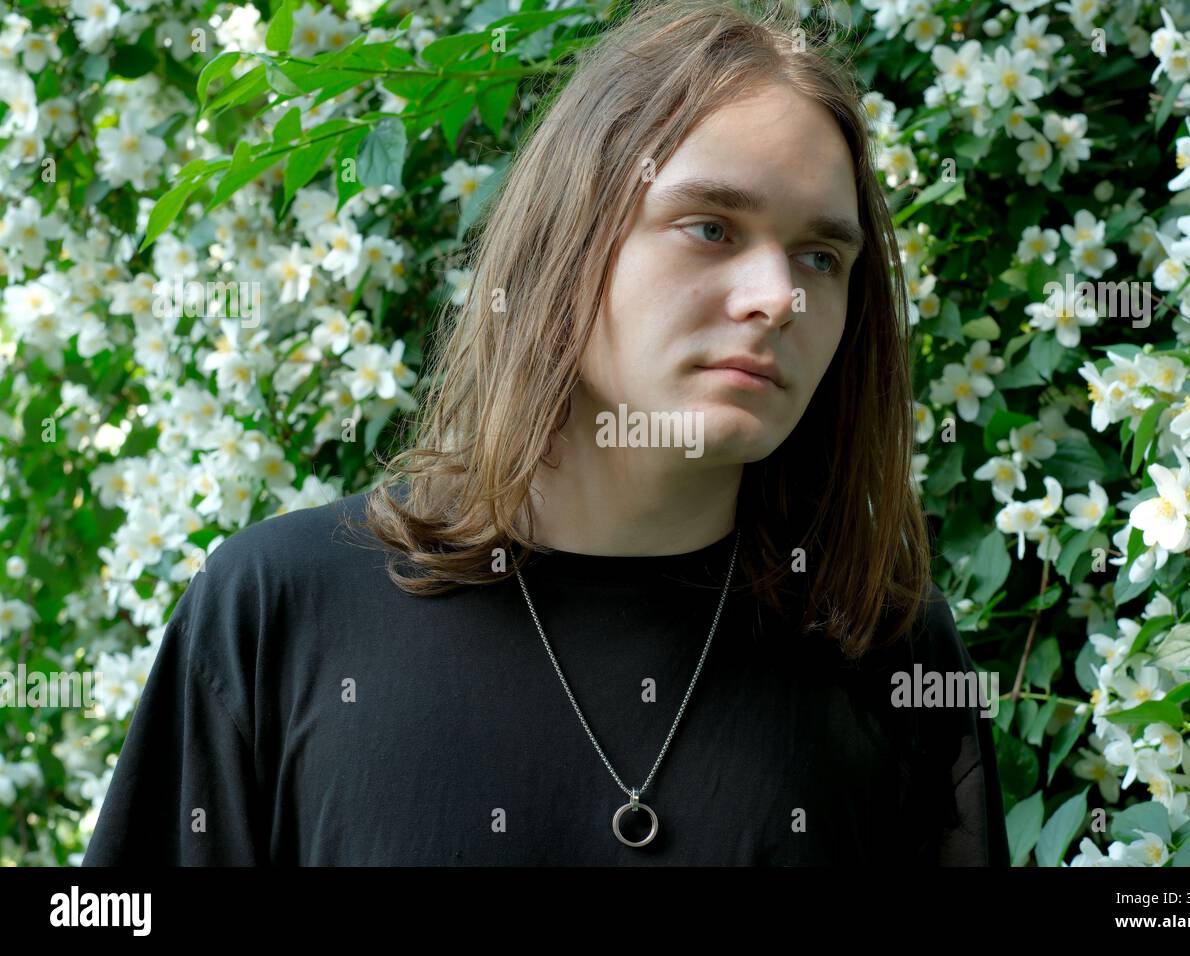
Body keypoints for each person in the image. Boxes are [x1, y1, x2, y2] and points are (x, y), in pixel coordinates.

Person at [82, 0, 1009, 866]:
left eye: (821, 255)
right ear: (569, 242)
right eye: (710, 227)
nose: (779, 298)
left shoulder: (883, 645)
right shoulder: (275, 612)